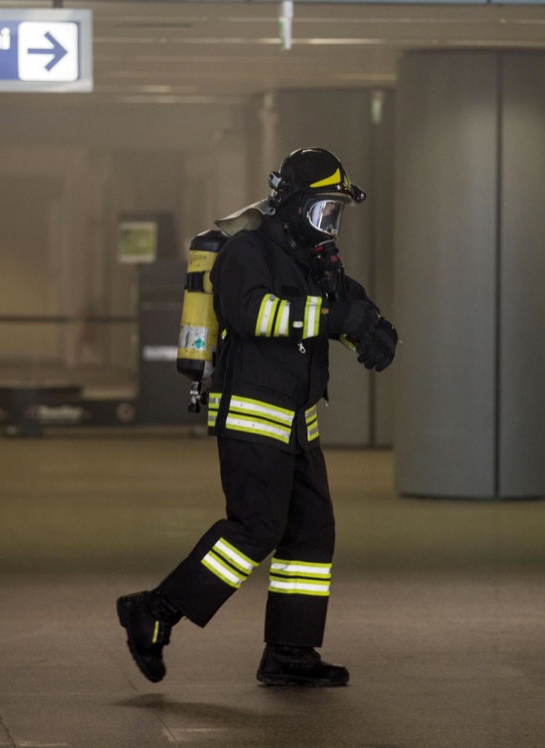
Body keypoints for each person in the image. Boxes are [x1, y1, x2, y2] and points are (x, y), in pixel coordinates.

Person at [117, 148, 398, 687]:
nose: (329, 225)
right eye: (322, 211)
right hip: (251, 414)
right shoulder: (247, 251)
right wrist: (333, 317)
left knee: (311, 533)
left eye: (335, 214)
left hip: (296, 421)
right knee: (255, 528)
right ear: (291, 204)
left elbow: (341, 302)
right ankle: (154, 609)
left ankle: (290, 652)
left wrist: (371, 328)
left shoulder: (311, 258)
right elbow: (251, 312)